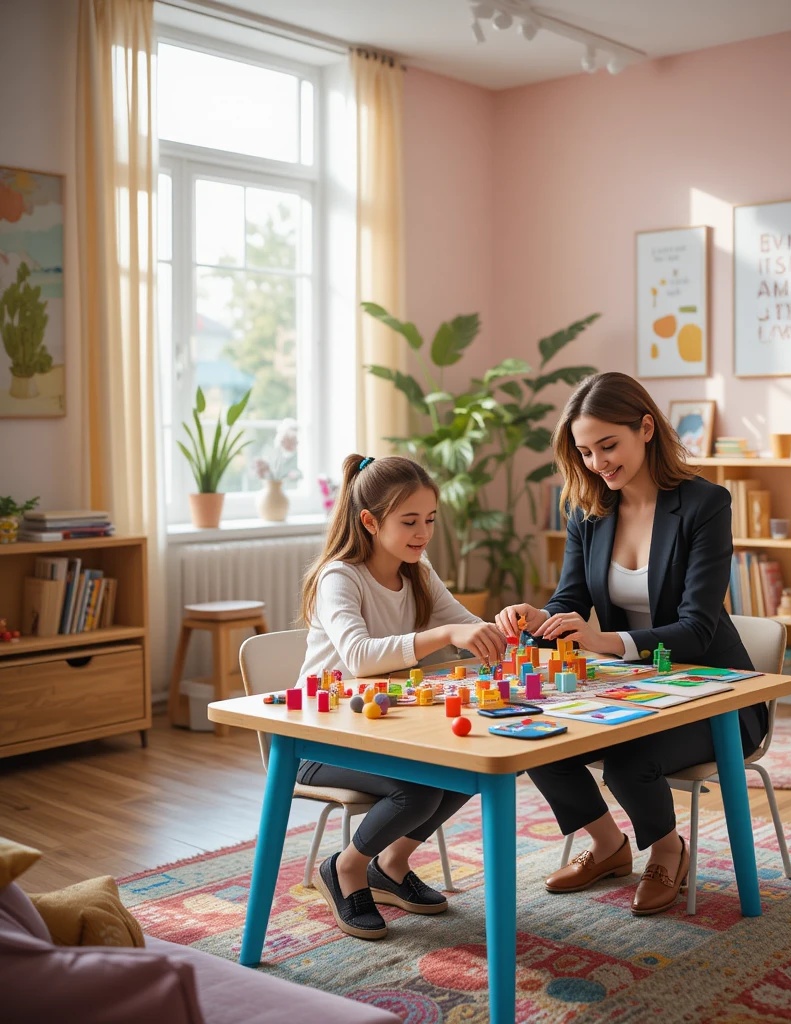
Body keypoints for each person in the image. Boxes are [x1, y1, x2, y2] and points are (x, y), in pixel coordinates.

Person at [496, 372, 767, 917]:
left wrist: (604, 640)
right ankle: (608, 845)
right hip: (634, 693)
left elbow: (697, 628)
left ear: (646, 428)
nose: (597, 463)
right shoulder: (587, 512)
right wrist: (535, 619)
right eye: (586, 451)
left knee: (627, 762)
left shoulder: (704, 504)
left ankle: (669, 850)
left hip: (717, 698)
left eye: (608, 446)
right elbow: (567, 601)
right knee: (531, 740)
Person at [298, 453, 506, 940]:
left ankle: (389, 866)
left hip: (376, 726)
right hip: (315, 737)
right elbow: (359, 656)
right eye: (409, 521)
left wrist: (506, 624)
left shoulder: (418, 570)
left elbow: (466, 626)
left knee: (465, 767)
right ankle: (346, 867)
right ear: (369, 521)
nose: (423, 533)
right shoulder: (339, 577)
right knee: (419, 787)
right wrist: (442, 635)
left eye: (430, 520)